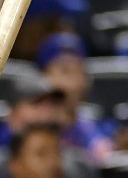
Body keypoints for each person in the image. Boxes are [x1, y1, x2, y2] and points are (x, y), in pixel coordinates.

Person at [36, 32, 114, 162]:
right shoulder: (29, 125)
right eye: (65, 71)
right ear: (43, 77)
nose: (75, 82)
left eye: (80, 71)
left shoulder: (93, 124)